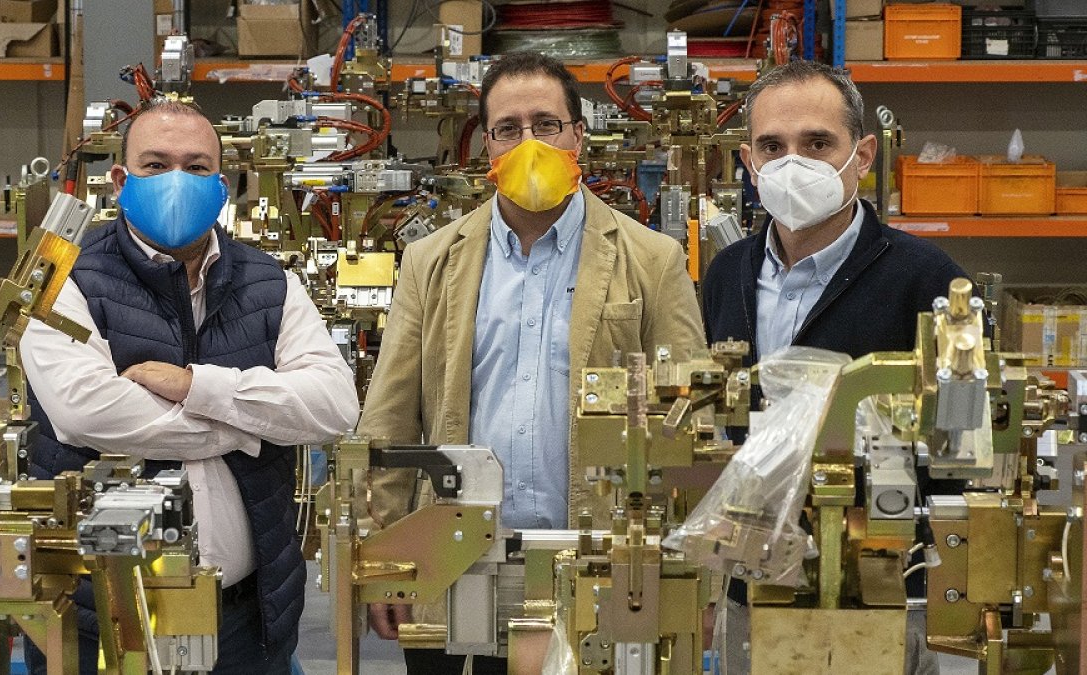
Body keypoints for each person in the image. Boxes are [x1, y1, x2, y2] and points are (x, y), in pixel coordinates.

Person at [356, 51, 706, 674]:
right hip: (453, 557)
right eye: (508, 129)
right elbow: (390, 419)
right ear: (486, 146)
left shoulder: (652, 259)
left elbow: (690, 428)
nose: (528, 142)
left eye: (545, 125)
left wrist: (690, 566)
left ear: (578, 134)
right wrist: (386, 558)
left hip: (593, 560)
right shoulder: (431, 261)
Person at [19, 98, 360, 674]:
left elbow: (334, 405)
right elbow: (85, 413)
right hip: (98, 612)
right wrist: (247, 425)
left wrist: (195, 386)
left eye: (197, 167)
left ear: (222, 186)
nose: (177, 180)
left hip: (245, 617)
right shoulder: (63, 276)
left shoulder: (269, 283)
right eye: (155, 166)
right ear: (121, 181)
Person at [701, 60, 966, 674]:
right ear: (748, 162)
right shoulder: (725, 275)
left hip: (887, 589)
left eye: (818, 143)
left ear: (864, 154)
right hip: (757, 586)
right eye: (773, 146)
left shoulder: (927, 279)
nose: (793, 162)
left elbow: (960, 450)